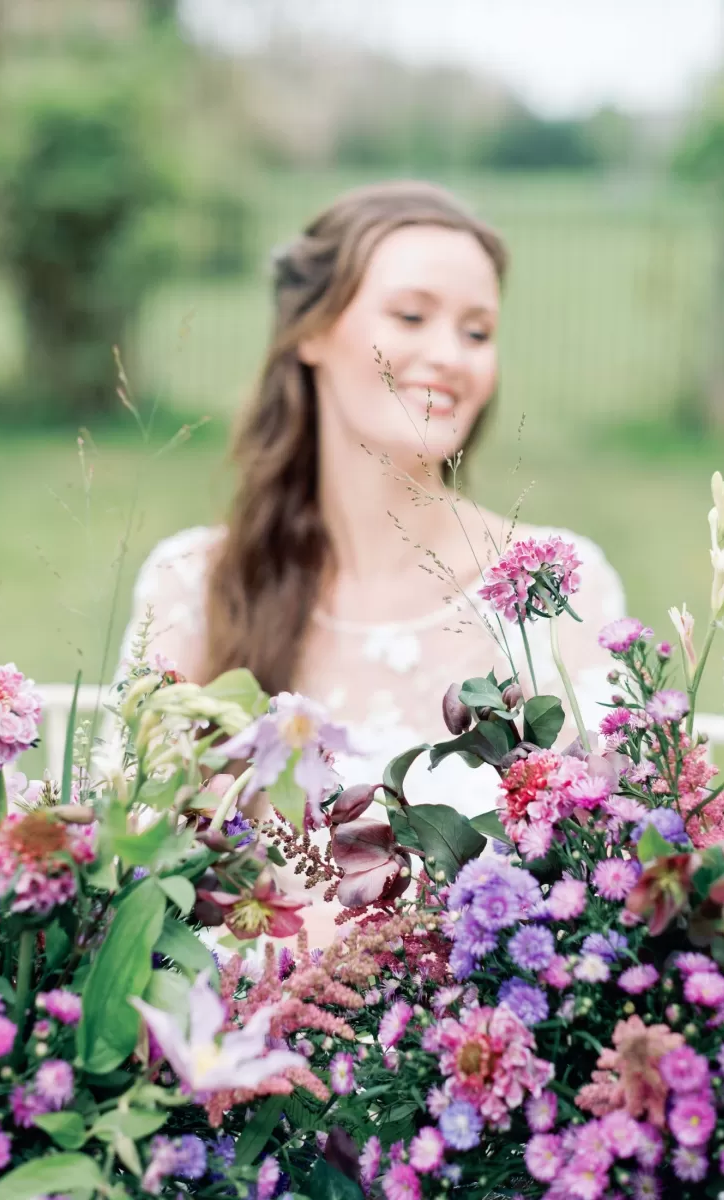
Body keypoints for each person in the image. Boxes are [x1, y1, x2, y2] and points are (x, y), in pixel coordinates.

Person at [121, 180, 626, 943]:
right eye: (412, 315)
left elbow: (600, 871)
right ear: (311, 330)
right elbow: (134, 875)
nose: (449, 356)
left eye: (478, 331)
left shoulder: (550, 588)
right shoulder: (196, 583)